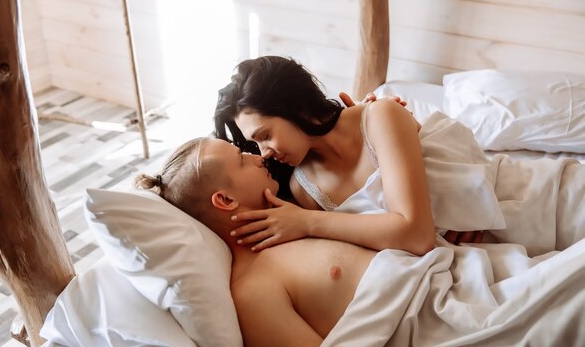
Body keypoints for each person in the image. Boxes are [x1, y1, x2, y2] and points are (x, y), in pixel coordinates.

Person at [214, 56, 585, 256]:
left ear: (294, 107)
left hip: (537, 200)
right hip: (494, 252)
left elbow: (414, 233)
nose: (265, 152)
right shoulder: (304, 189)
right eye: (255, 145)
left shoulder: (381, 115)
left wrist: (308, 224)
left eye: (265, 136)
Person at [135, 137, 377, 347]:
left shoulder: (300, 213)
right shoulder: (253, 292)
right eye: (241, 159)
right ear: (226, 200)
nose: (258, 158)